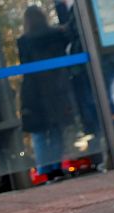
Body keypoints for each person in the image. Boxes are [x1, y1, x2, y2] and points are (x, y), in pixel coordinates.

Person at [17, 6, 74, 180]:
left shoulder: (24, 41)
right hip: (57, 87)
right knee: (57, 130)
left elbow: (25, 64)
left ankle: (45, 171)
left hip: (34, 90)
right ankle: (56, 168)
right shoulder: (56, 34)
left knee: (39, 133)